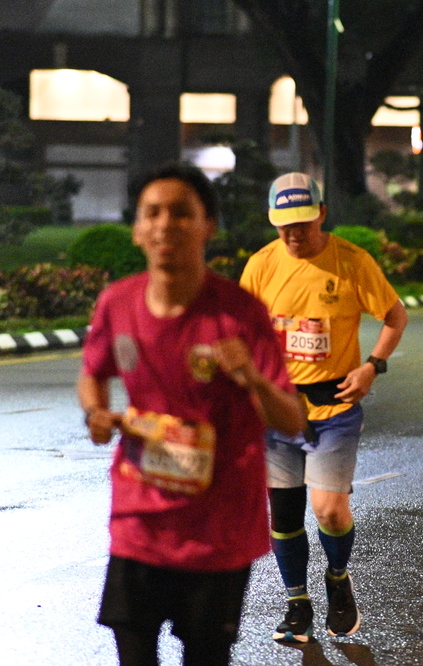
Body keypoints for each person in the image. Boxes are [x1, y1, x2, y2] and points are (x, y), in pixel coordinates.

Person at [78, 163, 306, 666]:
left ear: (209, 226)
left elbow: (291, 419)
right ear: (137, 229)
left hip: (218, 527)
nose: (166, 224)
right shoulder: (118, 303)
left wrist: (251, 377)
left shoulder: (239, 313)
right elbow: (93, 371)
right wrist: (96, 412)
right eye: (153, 213)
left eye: (182, 213)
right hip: (140, 519)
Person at [240, 172, 408, 642]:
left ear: (322, 214)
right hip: (277, 408)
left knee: (329, 510)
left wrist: (372, 365)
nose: (294, 233)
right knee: (284, 515)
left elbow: (395, 316)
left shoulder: (352, 262)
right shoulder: (260, 266)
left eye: (303, 222)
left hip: (334, 406)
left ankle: (337, 577)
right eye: (284, 225)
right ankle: (297, 604)